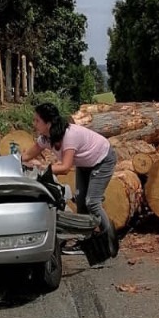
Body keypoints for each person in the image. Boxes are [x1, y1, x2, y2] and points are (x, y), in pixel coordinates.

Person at [25, 101, 117, 243]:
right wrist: (12, 161)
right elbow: (27, 156)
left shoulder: (69, 136)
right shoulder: (45, 138)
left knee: (92, 202)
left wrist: (43, 168)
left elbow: (65, 167)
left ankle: (109, 239)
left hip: (102, 159)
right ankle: (87, 241)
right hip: (85, 163)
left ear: (48, 124)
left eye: (37, 120)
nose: (34, 123)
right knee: (80, 202)